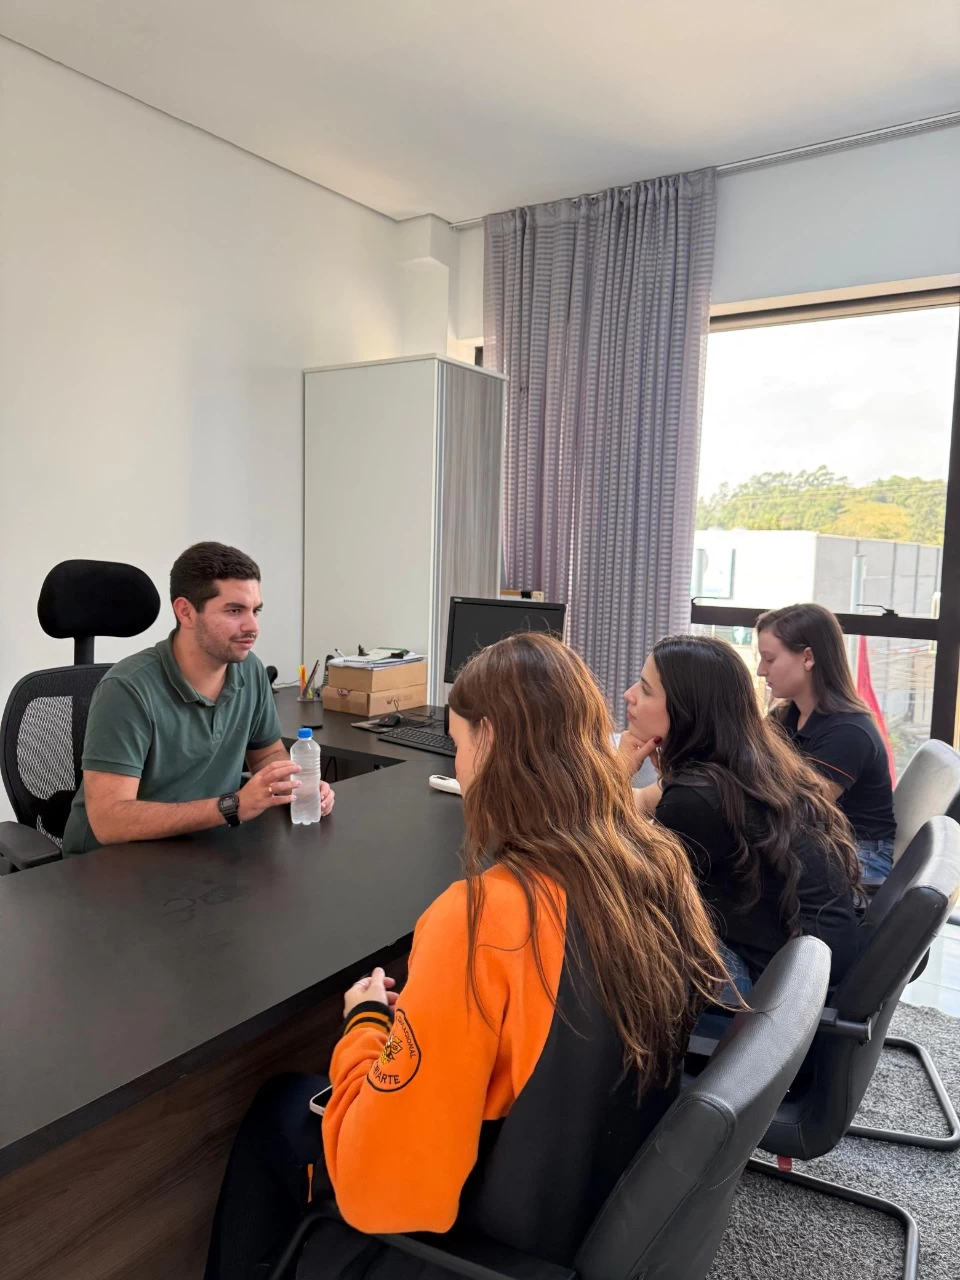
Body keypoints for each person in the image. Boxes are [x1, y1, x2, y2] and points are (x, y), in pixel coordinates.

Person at [205, 633, 728, 1280]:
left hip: (475, 1228)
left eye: (458, 744)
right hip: (584, 1194)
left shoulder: (483, 918)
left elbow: (381, 1184)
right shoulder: (656, 868)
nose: (460, 763)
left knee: (279, 1107)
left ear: (489, 744)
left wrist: (367, 1026)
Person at [620, 633, 861, 990]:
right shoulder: (746, 762)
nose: (629, 695)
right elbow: (646, 805)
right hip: (811, 963)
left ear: (687, 709)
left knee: (608, 933)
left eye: (646, 689)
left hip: (775, 987)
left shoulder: (698, 797)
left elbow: (621, 879)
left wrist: (615, 773)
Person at [61, 541, 334, 856]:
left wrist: (297, 786)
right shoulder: (126, 689)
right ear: (186, 612)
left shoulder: (250, 670)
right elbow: (109, 821)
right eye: (234, 611)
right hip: (111, 867)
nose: (253, 627)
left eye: (255, 610)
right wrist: (233, 807)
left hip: (203, 848)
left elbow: (266, 756)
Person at [755, 603, 897, 881]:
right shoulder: (789, 714)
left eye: (769, 659)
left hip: (860, 857)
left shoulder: (849, 732)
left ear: (808, 658)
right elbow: (745, 756)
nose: (761, 670)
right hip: (819, 842)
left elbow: (801, 810)